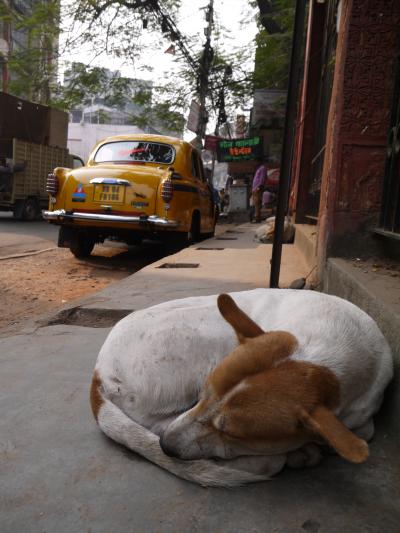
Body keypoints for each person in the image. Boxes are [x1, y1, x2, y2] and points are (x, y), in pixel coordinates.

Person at [251, 157, 268, 223]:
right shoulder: (259, 168)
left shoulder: (263, 168)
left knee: (257, 203)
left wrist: (259, 187)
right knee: (255, 203)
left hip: (258, 188)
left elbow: (262, 178)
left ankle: (257, 218)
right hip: (255, 188)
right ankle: (256, 217)